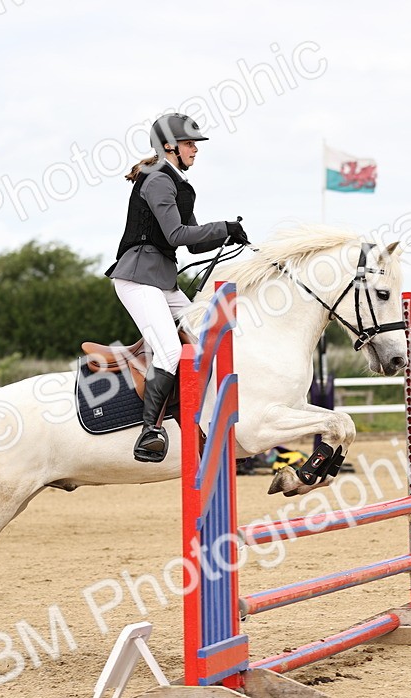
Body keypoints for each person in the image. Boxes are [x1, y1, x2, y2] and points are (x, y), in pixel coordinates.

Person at [105, 113, 249, 462]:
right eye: (189, 144)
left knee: (205, 338)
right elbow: (175, 235)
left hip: (162, 282)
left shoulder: (179, 184)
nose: (195, 150)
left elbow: (193, 244)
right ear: (169, 146)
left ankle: (198, 415)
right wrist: (223, 226)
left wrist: (228, 235)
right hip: (138, 279)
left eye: (194, 145)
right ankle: (149, 432)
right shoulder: (157, 179)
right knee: (170, 351)